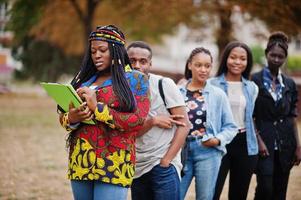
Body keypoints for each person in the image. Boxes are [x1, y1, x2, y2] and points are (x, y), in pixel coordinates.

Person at [58, 25, 150, 200]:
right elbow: (63, 117)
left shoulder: (136, 80)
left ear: (116, 51)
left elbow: (137, 120)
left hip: (114, 161)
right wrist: (72, 117)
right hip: (81, 160)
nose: (96, 55)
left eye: (102, 50)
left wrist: (97, 108)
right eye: (93, 51)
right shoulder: (83, 80)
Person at [127, 41, 190, 200]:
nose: (136, 65)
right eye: (132, 60)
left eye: (142, 61)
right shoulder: (121, 91)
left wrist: (166, 161)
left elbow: (184, 125)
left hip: (162, 167)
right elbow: (129, 134)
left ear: (150, 64)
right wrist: (153, 121)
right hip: (137, 167)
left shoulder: (164, 84)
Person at [179, 47, 237, 200]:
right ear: (189, 65)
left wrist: (217, 140)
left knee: (205, 197)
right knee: (174, 194)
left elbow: (231, 127)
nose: (203, 70)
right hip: (180, 151)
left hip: (208, 151)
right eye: (198, 65)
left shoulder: (218, 94)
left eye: (207, 66)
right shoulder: (177, 92)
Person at [252, 31, 301, 200]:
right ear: (266, 54)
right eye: (273, 55)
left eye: (281, 57)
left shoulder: (289, 83)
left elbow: (292, 116)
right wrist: (258, 141)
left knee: (280, 189)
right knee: (265, 187)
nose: (276, 59)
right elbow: (249, 115)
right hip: (264, 141)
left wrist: (298, 146)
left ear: (285, 58)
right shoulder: (254, 80)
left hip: (286, 143)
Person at [210, 41, 259, 200]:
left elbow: (251, 117)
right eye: (233, 57)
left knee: (239, 194)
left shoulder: (252, 87)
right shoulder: (212, 84)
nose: (237, 62)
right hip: (220, 141)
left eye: (242, 58)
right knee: (212, 192)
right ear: (226, 59)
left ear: (248, 62)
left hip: (244, 142)